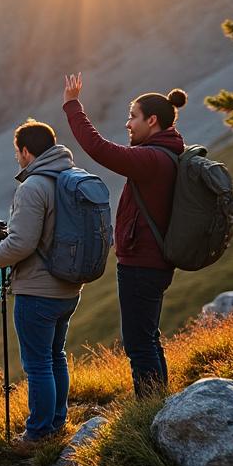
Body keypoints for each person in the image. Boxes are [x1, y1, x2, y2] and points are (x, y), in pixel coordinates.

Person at [63, 73, 187, 397]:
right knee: (148, 337)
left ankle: (149, 411)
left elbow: (99, 149)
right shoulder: (168, 154)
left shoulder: (151, 159)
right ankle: (158, 405)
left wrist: (72, 106)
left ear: (153, 120)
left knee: (138, 343)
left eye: (133, 116)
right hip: (153, 260)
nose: (128, 124)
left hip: (142, 263)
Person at [0, 120, 84, 443]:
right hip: (68, 288)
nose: (17, 159)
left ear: (25, 151)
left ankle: (36, 435)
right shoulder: (69, 179)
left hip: (37, 291)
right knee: (55, 355)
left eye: (17, 152)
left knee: (37, 364)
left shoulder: (33, 186)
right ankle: (57, 423)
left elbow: (21, 244)